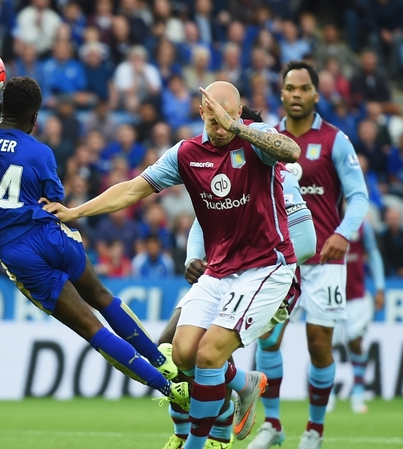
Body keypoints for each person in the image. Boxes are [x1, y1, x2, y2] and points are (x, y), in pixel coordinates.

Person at [0, 76, 189, 410]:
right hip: (53, 235)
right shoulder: (41, 152)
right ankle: (163, 361)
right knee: (103, 297)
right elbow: (55, 201)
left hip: (18, 251)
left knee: (91, 329)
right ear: (35, 118)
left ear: (1, 107)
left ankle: (169, 389)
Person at [44, 81, 303, 449]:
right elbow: (133, 189)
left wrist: (238, 128)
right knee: (181, 355)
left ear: (238, 113)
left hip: (266, 267)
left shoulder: (254, 138)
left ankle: (200, 443)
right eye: (212, 118)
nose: (219, 126)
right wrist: (76, 212)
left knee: (209, 353)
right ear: (201, 112)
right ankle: (244, 383)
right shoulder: (186, 154)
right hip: (219, 271)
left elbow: (291, 150)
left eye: (226, 117)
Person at [157, 107, 318, 449]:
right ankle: (195, 425)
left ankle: (214, 437)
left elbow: (305, 242)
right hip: (221, 272)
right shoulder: (215, 172)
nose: (216, 138)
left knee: (211, 353)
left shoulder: (276, 171)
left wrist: (245, 260)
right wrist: (194, 259)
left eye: (226, 127)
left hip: (267, 274)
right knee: (173, 348)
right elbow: (206, 223)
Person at [246, 61, 369, 449]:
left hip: (325, 262)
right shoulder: (268, 139)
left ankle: (314, 430)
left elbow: (359, 197)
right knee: (267, 339)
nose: (296, 94)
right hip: (279, 260)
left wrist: (342, 234)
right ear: (280, 94)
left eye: (303, 88)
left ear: (316, 94)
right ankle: (274, 426)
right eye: (289, 88)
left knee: (319, 344)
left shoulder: (336, 140)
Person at [329, 219, 384, 414]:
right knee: (328, 346)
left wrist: (379, 286)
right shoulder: (326, 219)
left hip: (356, 296)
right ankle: (329, 396)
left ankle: (358, 394)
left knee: (355, 342)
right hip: (331, 294)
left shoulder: (362, 225)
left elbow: (374, 253)